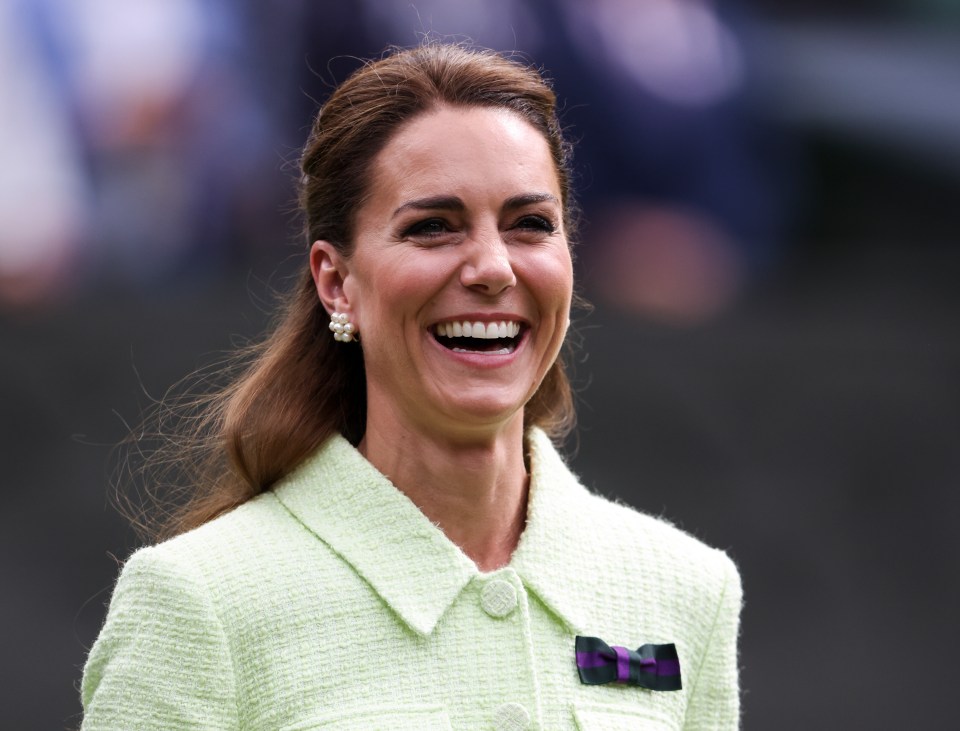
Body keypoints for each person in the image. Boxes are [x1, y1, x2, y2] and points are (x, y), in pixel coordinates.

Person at [80, 43, 742, 730]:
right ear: (336, 282)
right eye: (432, 227)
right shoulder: (200, 599)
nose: (492, 267)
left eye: (530, 225)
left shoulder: (688, 590)